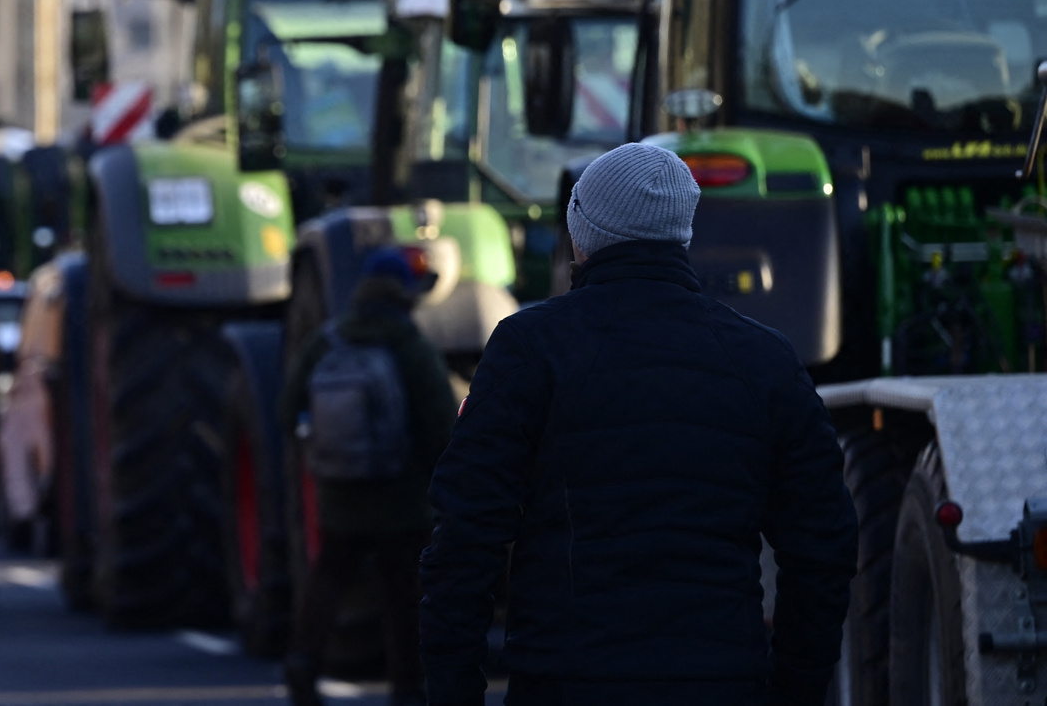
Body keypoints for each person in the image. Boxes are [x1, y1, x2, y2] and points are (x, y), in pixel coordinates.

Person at [419, 143, 859, 706]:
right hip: (721, 685)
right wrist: (794, 689)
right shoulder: (765, 359)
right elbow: (823, 546)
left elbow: (464, 540)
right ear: (682, 233)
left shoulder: (530, 348)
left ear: (583, 231)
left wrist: (454, 692)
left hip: (566, 684)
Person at [280, 247, 457, 706]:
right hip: (402, 498)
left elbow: (287, 410)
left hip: (340, 492)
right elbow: (440, 423)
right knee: (402, 593)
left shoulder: (327, 341)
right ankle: (406, 685)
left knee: (328, 579)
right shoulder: (411, 346)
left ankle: (303, 661)